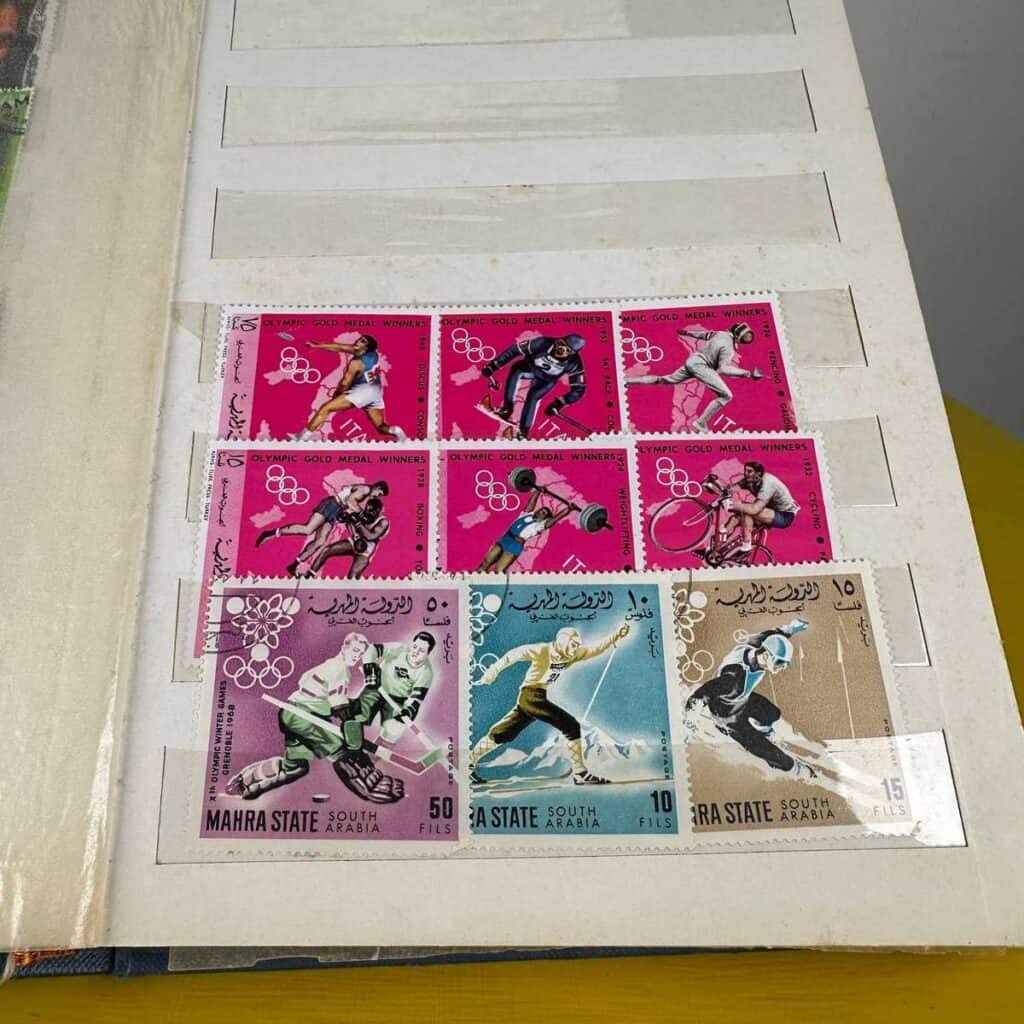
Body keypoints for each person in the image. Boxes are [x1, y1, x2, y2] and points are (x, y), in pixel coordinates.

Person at [226, 631, 406, 804]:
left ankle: (245, 782)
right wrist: (352, 735)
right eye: (354, 650)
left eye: (360, 653)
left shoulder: (328, 665)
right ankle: (372, 785)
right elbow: (339, 704)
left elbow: (317, 694)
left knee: (295, 766)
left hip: (291, 714)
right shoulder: (340, 669)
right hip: (303, 717)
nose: (356, 656)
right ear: (344, 647)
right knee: (343, 752)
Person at [469, 622, 631, 786]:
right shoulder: (542, 650)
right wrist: (492, 671)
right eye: (573, 645)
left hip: (535, 697)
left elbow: (594, 649)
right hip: (531, 696)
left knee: (501, 733)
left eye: (577, 645)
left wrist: (615, 635)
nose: (575, 649)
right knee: (571, 726)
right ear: (562, 642)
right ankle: (580, 773)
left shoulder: (572, 655)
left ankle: (467, 763)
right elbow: (513, 655)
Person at [684, 619, 815, 777]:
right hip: (728, 716)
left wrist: (792, 628)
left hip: (742, 700)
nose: (783, 668)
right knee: (762, 747)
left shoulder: (756, 646)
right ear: (766, 655)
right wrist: (688, 724)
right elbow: (700, 696)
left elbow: (773, 634)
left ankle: (764, 732)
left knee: (772, 713)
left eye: (786, 664)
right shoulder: (734, 679)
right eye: (780, 662)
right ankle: (796, 770)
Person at [625, 322, 761, 432]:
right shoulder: (729, 348)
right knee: (726, 395)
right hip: (702, 366)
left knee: (664, 380)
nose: (747, 339)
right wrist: (747, 373)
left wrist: (688, 333)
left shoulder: (720, 333)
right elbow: (723, 368)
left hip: (692, 361)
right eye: (746, 337)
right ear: (739, 336)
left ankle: (628, 381)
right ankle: (701, 423)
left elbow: (703, 335)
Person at [255, 481, 388, 575]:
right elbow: (349, 501)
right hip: (332, 504)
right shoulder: (365, 489)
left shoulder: (366, 493)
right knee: (308, 529)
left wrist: (355, 526)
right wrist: (360, 514)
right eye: (379, 493)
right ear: (377, 487)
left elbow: (349, 513)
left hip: (336, 511)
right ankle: (270, 533)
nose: (377, 496)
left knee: (320, 541)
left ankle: (294, 565)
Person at [294, 334, 408, 441]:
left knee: (325, 408)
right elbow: (340, 347)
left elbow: (345, 382)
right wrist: (317, 346)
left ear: (366, 347)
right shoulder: (373, 354)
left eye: (362, 341)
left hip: (363, 392)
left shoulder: (356, 363)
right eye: (359, 339)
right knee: (380, 427)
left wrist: (337, 394)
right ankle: (396, 431)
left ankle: (301, 438)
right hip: (376, 393)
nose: (358, 341)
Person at [481, 334, 587, 439]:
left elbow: (579, 389)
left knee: (533, 397)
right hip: (530, 368)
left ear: (573, 354)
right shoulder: (543, 342)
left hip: (546, 380)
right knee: (517, 369)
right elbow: (515, 350)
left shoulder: (575, 363)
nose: (561, 349)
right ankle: (507, 409)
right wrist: (494, 365)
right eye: (561, 344)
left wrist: (560, 403)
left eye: (567, 350)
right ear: (558, 340)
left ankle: (523, 432)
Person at [476, 486, 572, 573]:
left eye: (544, 513)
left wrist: (568, 510)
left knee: (499, 571)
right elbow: (533, 500)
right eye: (541, 510)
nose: (540, 512)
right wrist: (538, 491)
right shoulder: (527, 513)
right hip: (505, 539)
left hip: (515, 546)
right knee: (486, 562)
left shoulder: (541, 526)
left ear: (545, 518)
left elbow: (555, 519)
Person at [724, 461, 800, 552]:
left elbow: (754, 509)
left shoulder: (767, 483)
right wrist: (716, 487)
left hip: (784, 515)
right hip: (767, 510)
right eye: (745, 470)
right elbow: (731, 489)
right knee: (734, 519)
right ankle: (716, 549)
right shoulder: (750, 479)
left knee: (747, 510)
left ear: (758, 473)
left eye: (749, 471)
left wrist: (731, 505)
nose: (745, 473)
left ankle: (747, 543)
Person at [308, 496, 390, 579]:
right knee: (326, 550)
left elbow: (370, 537)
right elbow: (349, 523)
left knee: (353, 577)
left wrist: (358, 523)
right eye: (366, 510)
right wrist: (354, 532)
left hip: (366, 550)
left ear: (377, 511)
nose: (368, 513)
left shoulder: (383, 522)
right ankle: (310, 575)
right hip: (355, 541)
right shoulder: (363, 514)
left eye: (371, 511)